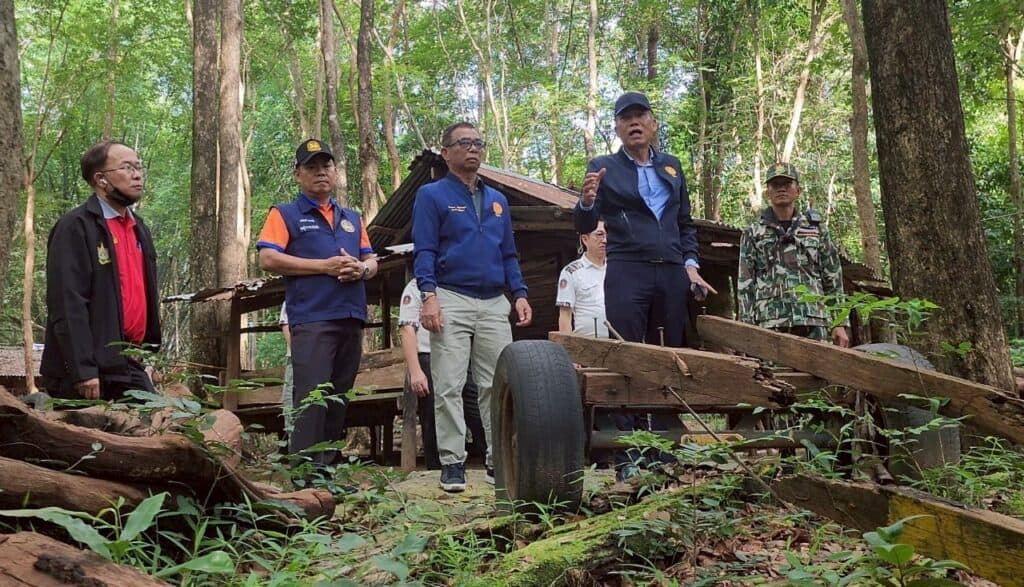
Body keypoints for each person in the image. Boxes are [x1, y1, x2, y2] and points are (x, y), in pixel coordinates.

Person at [575, 91, 715, 481]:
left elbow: (685, 224)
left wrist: (691, 265)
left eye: (641, 116)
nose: (634, 123)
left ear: (653, 124)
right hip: (628, 270)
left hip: (671, 272)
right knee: (627, 357)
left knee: (669, 357)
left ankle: (664, 452)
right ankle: (628, 456)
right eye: (626, 118)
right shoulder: (603, 167)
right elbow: (584, 224)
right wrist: (587, 201)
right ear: (618, 129)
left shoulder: (672, 166)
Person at [412, 121, 533, 492]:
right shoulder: (431, 195)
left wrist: (520, 293)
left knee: (495, 384)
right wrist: (429, 295)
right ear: (446, 152)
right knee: (448, 383)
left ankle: (498, 459)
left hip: (494, 300)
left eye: (478, 143)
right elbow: (425, 249)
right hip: (450, 295)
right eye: (464, 143)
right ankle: (452, 462)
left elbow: (508, 252)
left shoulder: (497, 200)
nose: (473, 149)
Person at [256, 138, 378, 469]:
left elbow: (371, 259)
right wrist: (323, 267)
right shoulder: (285, 214)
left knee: (338, 397)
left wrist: (362, 269)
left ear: (336, 172)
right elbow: (268, 258)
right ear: (298, 174)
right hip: (312, 319)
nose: (321, 172)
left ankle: (327, 471)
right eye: (312, 167)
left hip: (351, 316)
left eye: (326, 166)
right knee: (312, 397)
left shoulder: (352, 218)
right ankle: (305, 475)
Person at [41, 140, 161, 401]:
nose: (137, 175)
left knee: (155, 420)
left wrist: (149, 355)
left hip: (129, 362)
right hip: (87, 369)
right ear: (101, 179)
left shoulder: (139, 228)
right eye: (127, 167)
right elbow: (67, 302)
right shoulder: (76, 227)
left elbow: (145, 295)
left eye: (138, 167)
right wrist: (83, 369)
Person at [738, 162, 850, 346]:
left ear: (798, 190)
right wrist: (745, 328)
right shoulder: (753, 233)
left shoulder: (816, 229)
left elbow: (832, 277)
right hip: (769, 322)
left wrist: (839, 323)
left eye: (787, 183)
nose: (781, 188)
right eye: (775, 184)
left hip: (813, 321)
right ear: (767, 192)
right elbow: (746, 283)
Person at [397, 277, 487, 469]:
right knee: (433, 416)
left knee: (478, 408)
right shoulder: (415, 286)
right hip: (429, 355)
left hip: (462, 354)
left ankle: (493, 460)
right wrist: (415, 371)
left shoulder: (459, 279)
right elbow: (406, 328)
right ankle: (438, 469)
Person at [556, 221, 608, 338]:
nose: (605, 240)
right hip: (586, 344)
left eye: (607, 235)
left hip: (620, 343)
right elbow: (565, 315)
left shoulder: (617, 269)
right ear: (585, 239)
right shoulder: (571, 272)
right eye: (599, 235)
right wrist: (567, 345)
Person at [279, 302, 295, 433]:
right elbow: (285, 323)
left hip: (322, 358)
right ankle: (292, 439)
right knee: (290, 402)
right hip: (295, 359)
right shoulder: (292, 297)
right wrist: (297, 352)